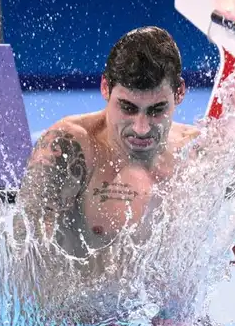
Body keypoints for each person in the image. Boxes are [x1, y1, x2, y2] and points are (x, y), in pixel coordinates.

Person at [17, 26, 200, 259]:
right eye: (128, 108)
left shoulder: (196, 151)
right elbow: (23, 251)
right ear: (105, 87)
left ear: (179, 93)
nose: (141, 128)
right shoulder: (70, 147)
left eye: (157, 110)